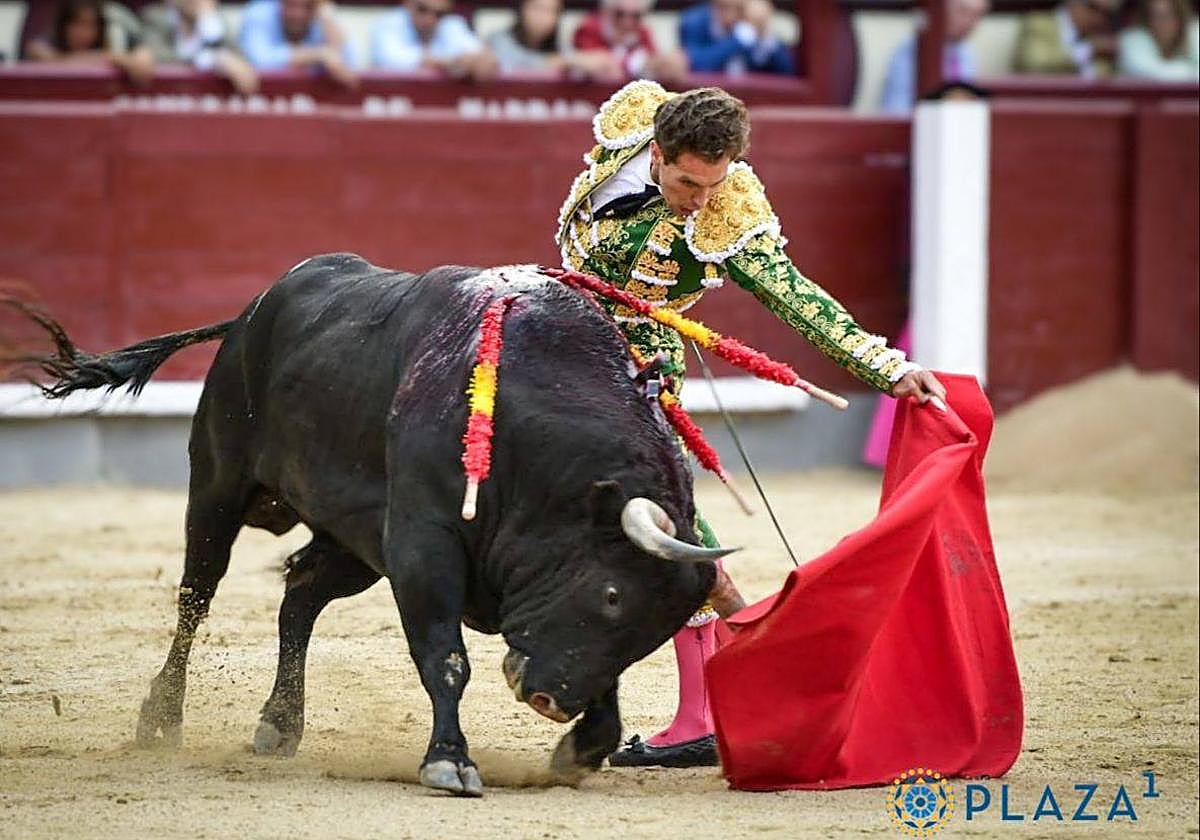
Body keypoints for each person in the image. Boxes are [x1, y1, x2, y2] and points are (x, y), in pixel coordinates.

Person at [556, 81, 946, 767]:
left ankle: (704, 708)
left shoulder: (729, 215)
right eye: (686, 183)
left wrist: (886, 367)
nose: (700, 200)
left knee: (659, 520)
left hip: (636, 366)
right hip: (556, 342)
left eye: (715, 183)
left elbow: (798, 298)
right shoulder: (629, 121)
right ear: (656, 149)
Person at [879, 0, 987, 112]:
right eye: (963, 11)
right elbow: (896, 112)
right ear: (942, 10)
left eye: (977, 15)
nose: (969, 22)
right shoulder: (913, 53)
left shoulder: (967, 54)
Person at [141, 0, 259, 93]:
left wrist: (208, 23)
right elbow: (155, 59)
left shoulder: (223, 22)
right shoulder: (155, 18)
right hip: (166, 102)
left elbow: (242, 69)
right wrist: (211, 59)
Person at [25, 0, 155, 85]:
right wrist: (105, 57)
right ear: (63, 25)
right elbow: (42, 56)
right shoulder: (46, 42)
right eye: (76, 24)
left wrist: (115, 58)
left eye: (90, 25)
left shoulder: (119, 29)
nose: (82, 33)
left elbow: (143, 69)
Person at [487, 0, 622, 78]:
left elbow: (580, 67)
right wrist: (567, 61)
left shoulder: (561, 47)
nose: (542, 17)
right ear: (522, 9)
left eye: (550, 11)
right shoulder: (498, 41)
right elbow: (511, 67)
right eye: (537, 8)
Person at [238, 0, 357, 87]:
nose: (297, 14)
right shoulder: (259, 13)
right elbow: (260, 62)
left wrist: (327, 16)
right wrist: (319, 54)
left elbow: (350, 69)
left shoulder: (323, 18)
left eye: (306, 6)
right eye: (290, 5)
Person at [371, 0, 497, 80]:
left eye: (439, 13)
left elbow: (483, 57)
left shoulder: (451, 25)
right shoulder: (389, 23)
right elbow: (390, 59)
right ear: (407, 3)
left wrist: (479, 61)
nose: (430, 19)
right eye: (422, 9)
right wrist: (448, 63)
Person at [572, 0, 688, 82]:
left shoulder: (643, 32)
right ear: (606, 11)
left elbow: (653, 61)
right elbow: (601, 66)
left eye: (635, 16)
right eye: (620, 14)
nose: (627, 22)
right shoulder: (589, 28)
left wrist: (664, 64)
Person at [678, 0, 795, 76]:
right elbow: (695, 66)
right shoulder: (693, 22)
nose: (729, 16)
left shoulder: (754, 23)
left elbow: (787, 71)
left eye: (738, 9)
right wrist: (739, 39)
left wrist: (764, 35)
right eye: (723, 8)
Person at [1013, 0, 1121, 77]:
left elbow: (1103, 79)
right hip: (1041, 103)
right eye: (1094, 8)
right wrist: (1088, 50)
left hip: (1088, 105)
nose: (1100, 18)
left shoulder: (1100, 38)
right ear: (1074, 3)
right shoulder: (1038, 22)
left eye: (1108, 14)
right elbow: (1035, 64)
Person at [1118, 0, 1199, 80]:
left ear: (1181, 18)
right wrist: (1189, 71)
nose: (1162, 23)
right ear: (1146, 19)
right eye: (1156, 16)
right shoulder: (1132, 41)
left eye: (1168, 15)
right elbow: (1147, 73)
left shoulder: (1193, 32)